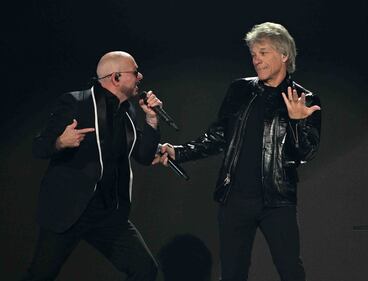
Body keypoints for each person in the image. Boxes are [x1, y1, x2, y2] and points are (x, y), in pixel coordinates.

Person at [154, 22, 321, 281]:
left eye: (263, 53)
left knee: (290, 271)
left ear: (284, 55)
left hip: (277, 200)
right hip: (234, 198)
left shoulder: (305, 98)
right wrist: (179, 152)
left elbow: (305, 153)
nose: (256, 60)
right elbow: (219, 135)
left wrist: (297, 122)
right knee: (232, 273)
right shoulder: (240, 89)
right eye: (253, 54)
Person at [23, 51, 161, 280]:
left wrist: (152, 120)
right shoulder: (77, 103)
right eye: (135, 72)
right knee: (40, 275)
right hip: (69, 210)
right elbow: (38, 147)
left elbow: (144, 156)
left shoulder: (128, 112)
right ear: (116, 77)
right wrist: (60, 142)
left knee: (145, 270)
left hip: (107, 214)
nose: (141, 76)